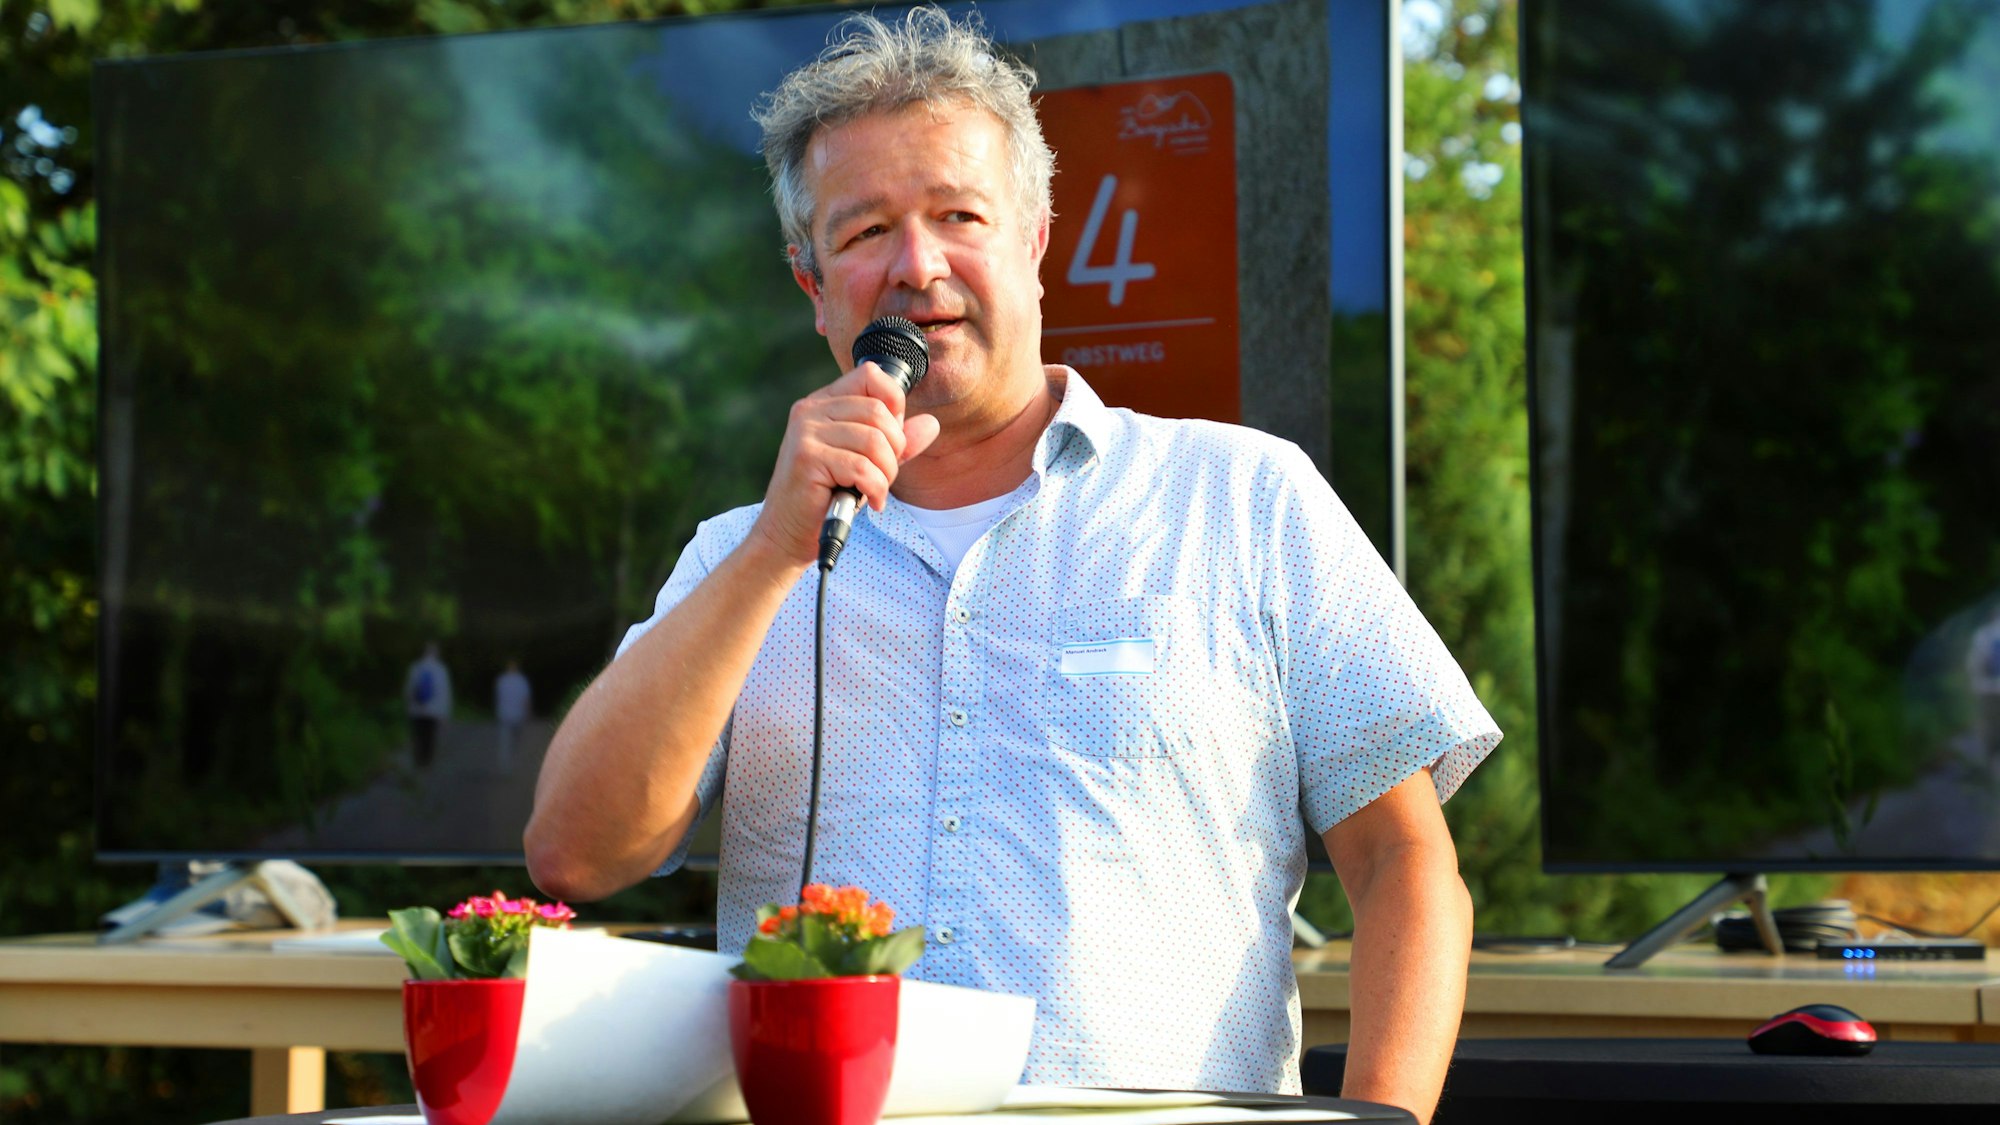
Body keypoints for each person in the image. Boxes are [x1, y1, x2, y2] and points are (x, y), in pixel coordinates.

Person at [526, 9, 1498, 1119]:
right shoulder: (738, 557)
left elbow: (1403, 866)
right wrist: (771, 554)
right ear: (811, 284)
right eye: (862, 233)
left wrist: (1378, 1119)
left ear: (1035, 240)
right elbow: (575, 855)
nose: (916, 265)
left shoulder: (1244, 500)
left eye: (957, 215)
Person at [404, 641, 453, 769]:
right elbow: (445, 692)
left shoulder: (415, 667)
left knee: (418, 734)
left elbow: (409, 689)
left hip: (417, 709)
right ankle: (427, 760)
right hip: (433, 710)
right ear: (436, 654)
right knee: (430, 736)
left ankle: (418, 759)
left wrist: (409, 705)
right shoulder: (441, 670)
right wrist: (445, 712)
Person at [495, 659, 534, 771]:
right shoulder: (521, 680)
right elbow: (526, 699)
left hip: (505, 714)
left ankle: (506, 765)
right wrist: (528, 713)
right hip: (518, 714)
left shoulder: (502, 680)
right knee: (516, 740)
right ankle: (514, 762)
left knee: (505, 741)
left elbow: (499, 697)